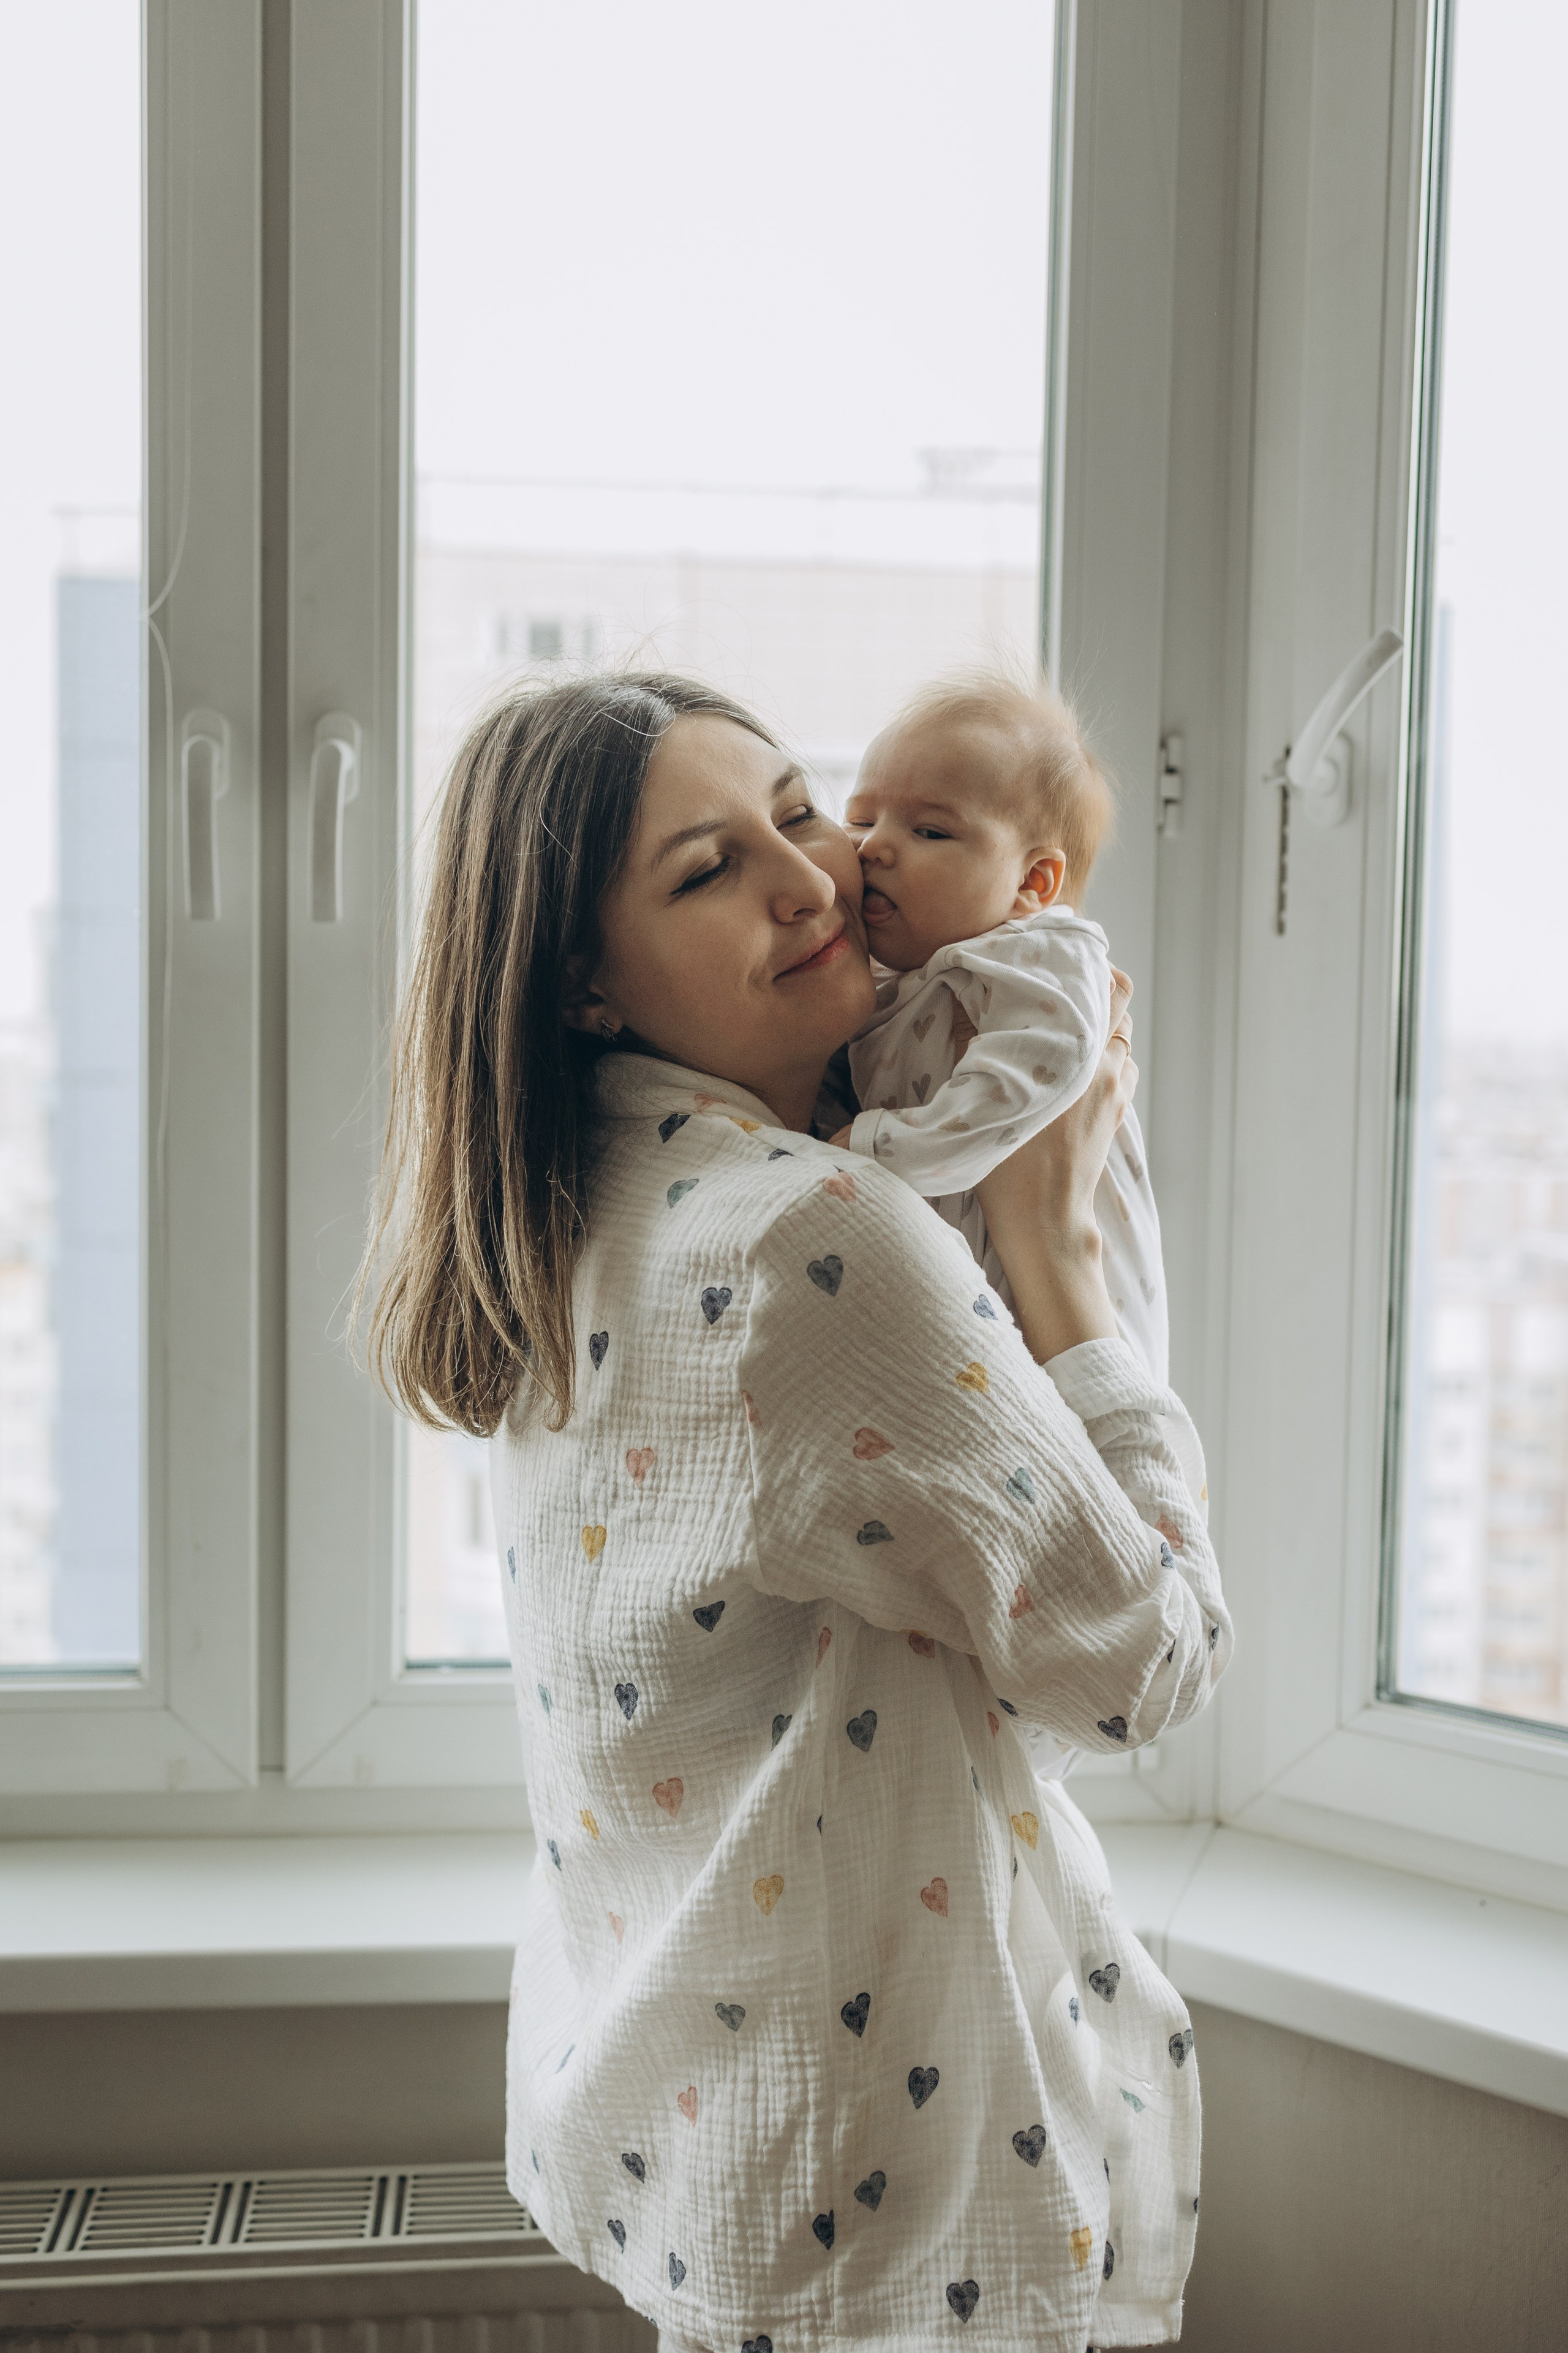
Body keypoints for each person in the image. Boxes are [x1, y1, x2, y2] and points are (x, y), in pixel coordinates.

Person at [362, 672, 1232, 2353]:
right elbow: (1151, 1664)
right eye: (708, 870)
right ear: (582, 982)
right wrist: (1057, 1257)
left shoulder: (578, 1215)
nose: (817, 877)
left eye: (798, 805)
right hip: (894, 2213)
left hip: (707, 2134)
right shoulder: (811, 1245)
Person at [840, 668, 1167, 1389]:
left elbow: (1027, 1087)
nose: (873, 849)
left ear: (1033, 885)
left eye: (929, 830)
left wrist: (868, 1149)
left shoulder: (1039, 955)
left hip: (1079, 1299)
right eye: (860, 819)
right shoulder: (893, 979)